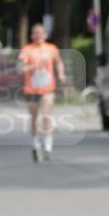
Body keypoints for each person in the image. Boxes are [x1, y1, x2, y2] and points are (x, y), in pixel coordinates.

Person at [18, 23, 66, 162]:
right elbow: (20, 69)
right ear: (32, 35)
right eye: (36, 33)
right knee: (34, 118)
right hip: (31, 89)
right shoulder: (27, 50)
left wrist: (61, 74)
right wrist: (34, 66)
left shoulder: (51, 48)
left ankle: (48, 147)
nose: (38, 35)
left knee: (46, 115)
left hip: (47, 89)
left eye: (41, 33)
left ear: (45, 34)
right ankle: (35, 145)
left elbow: (59, 62)